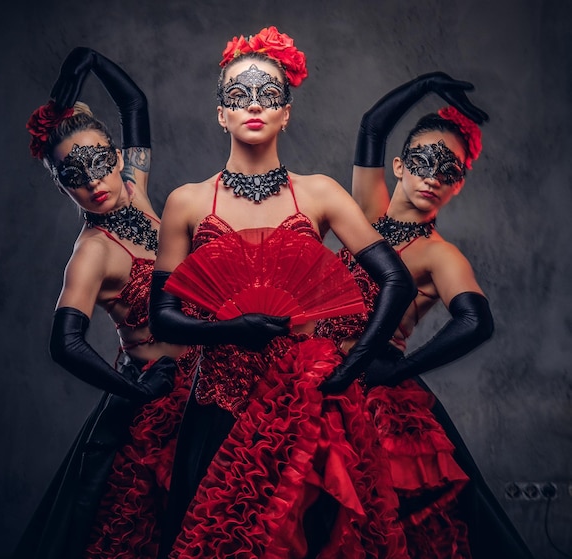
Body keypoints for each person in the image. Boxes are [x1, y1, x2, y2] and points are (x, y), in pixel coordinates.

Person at [149, 27, 419, 559]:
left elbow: (397, 278)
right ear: (221, 113)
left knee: (306, 539)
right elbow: (162, 317)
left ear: (287, 113)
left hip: (305, 400)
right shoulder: (186, 202)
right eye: (238, 96)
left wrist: (352, 366)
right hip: (217, 401)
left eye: (269, 95)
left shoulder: (318, 192)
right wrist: (229, 329)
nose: (254, 105)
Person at [315, 73, 535, 558]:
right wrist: (427, 86)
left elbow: (477, 321)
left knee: (368, 523)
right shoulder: (366, 211)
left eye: (450, 171)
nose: (434, 177)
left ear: (458, 187)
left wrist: (400, 369)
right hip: (311, 377)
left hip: (371, 397)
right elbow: (372, 125)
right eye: (423, 161)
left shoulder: (441, 256)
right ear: (398, 165)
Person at [13, 48, 195, 559]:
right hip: (160, 404)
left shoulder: (135, 191)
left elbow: (134, 102)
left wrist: (86, 60)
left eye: (98, 163)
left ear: (117, 157)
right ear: (60, 183)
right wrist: (135, 394)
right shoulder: (91, 253)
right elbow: (64, 345)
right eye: (73, 176)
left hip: (211, 380)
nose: (94, 183)